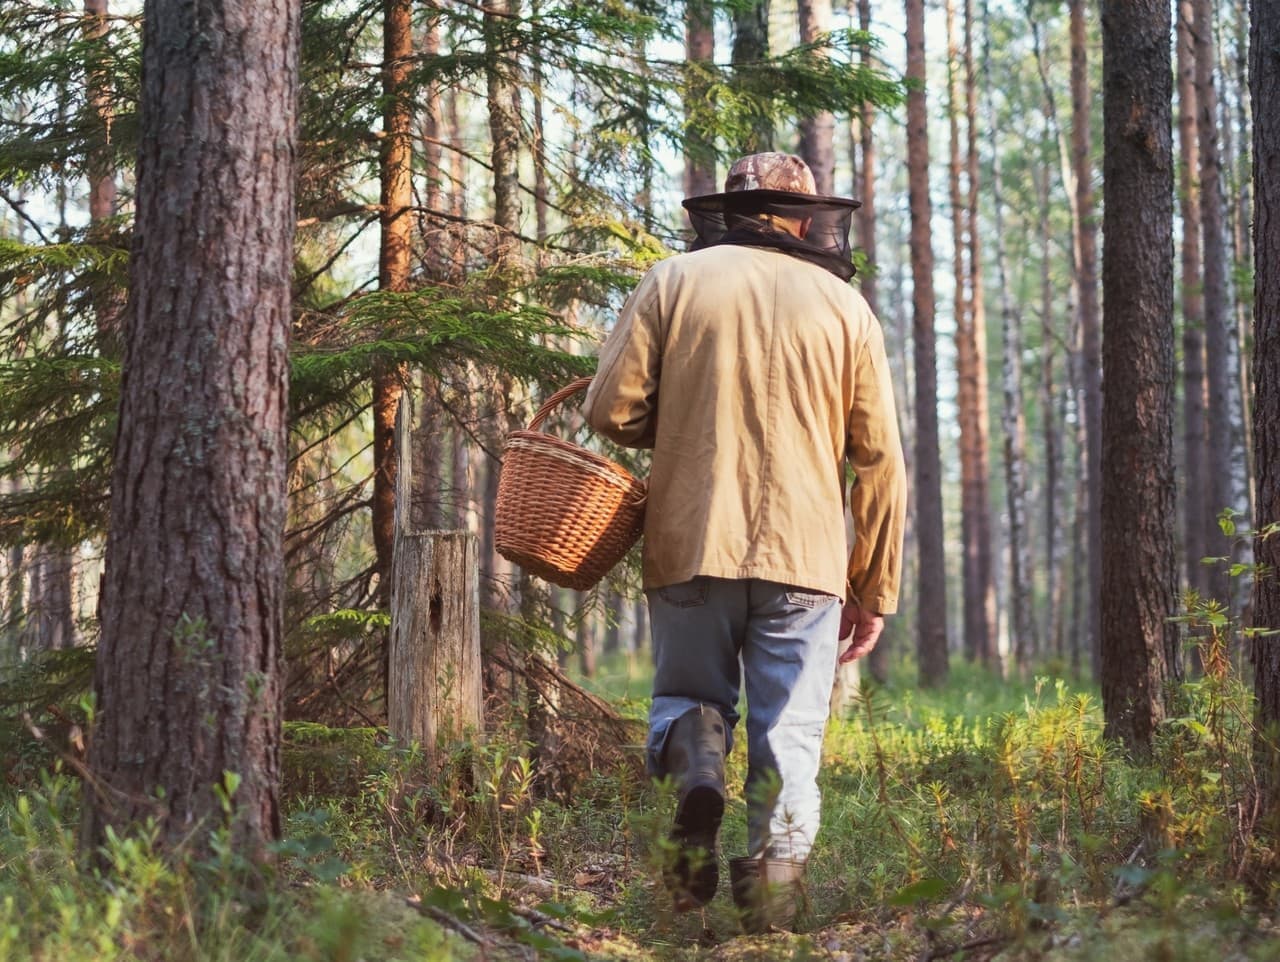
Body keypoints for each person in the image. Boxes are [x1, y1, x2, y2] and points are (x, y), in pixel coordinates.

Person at [583, 152, 907, 931]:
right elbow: (880, 462)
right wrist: (875, 588)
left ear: (728, 210)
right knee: (789, 731)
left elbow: (608, 411)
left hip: (692, 539)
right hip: (807, 558)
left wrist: (690, 423)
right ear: (804, 218)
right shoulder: (845, 307)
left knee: (689, 697)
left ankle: (698, 757)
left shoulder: (672, 281)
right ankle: (772, 903)